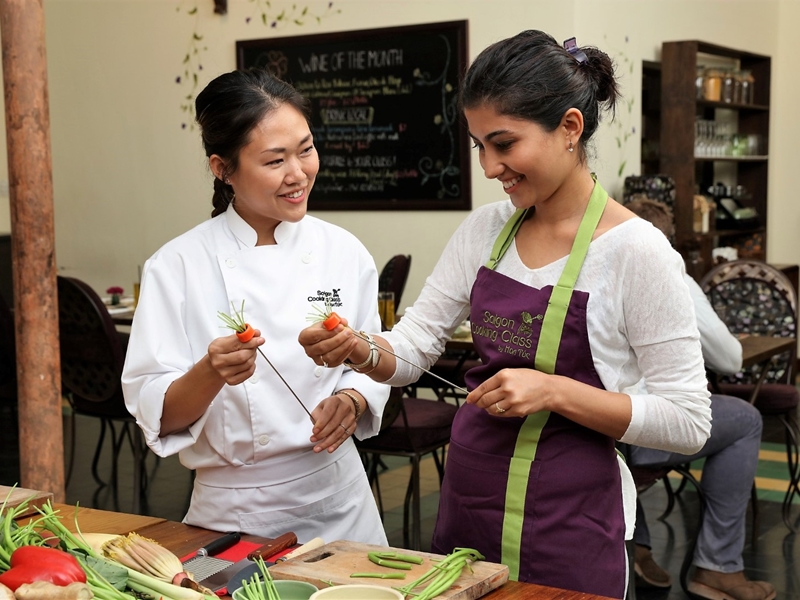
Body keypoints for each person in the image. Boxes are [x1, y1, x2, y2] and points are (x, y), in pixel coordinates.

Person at [298, 30, 712, 598]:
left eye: (504, 144)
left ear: (570, 129)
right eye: (478, 147)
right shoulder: (484, 231)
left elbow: (688, 421)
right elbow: (416, 348)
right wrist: (359, 348)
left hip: (573, 517)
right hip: (470, 499)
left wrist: (554, 391)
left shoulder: (637, 252)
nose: (490, 167)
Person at [121, 68, 389, 545]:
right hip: (235, 514)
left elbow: (371, 357)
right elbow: (159, 416)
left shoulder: (343, 251)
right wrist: (211, 371)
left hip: (341, 499)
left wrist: (353, 399)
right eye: (274, 161)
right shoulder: (176, 265)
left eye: (306, 149)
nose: (298, 173)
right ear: (222, 168)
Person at [625, 198, 774, 600]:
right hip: (647, 429)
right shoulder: (671, 274)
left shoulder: (589, 265)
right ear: (668, 241)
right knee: (745, 419)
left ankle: (634, 545)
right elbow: (729, 358)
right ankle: (717, 567)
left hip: (597, 424)